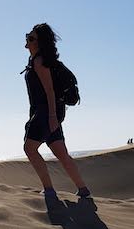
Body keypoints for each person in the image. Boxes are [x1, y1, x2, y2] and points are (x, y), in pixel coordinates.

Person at [22, 23, 91, 199]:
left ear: (39, 42)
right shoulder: (38, 60)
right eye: (27, 36)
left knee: (29, 148)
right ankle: (83, 189)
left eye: (31, 38)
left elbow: (49, 90)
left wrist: (52, 116)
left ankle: (49, 190)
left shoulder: (39, 61)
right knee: (60, 152)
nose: (27, 40)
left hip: (47, 112)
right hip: (50, 112)